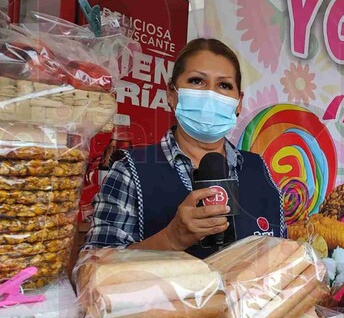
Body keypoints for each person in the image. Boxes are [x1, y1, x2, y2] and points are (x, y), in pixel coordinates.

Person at [83, 38, 286, 259]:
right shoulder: (130, 171)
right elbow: (91, 269)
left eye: (224, 85)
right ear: (172, 94)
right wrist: (171, 239)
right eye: (197, 81)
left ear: (238, 103)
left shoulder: (259, 169)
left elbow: (281, 262)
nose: (211, 95)